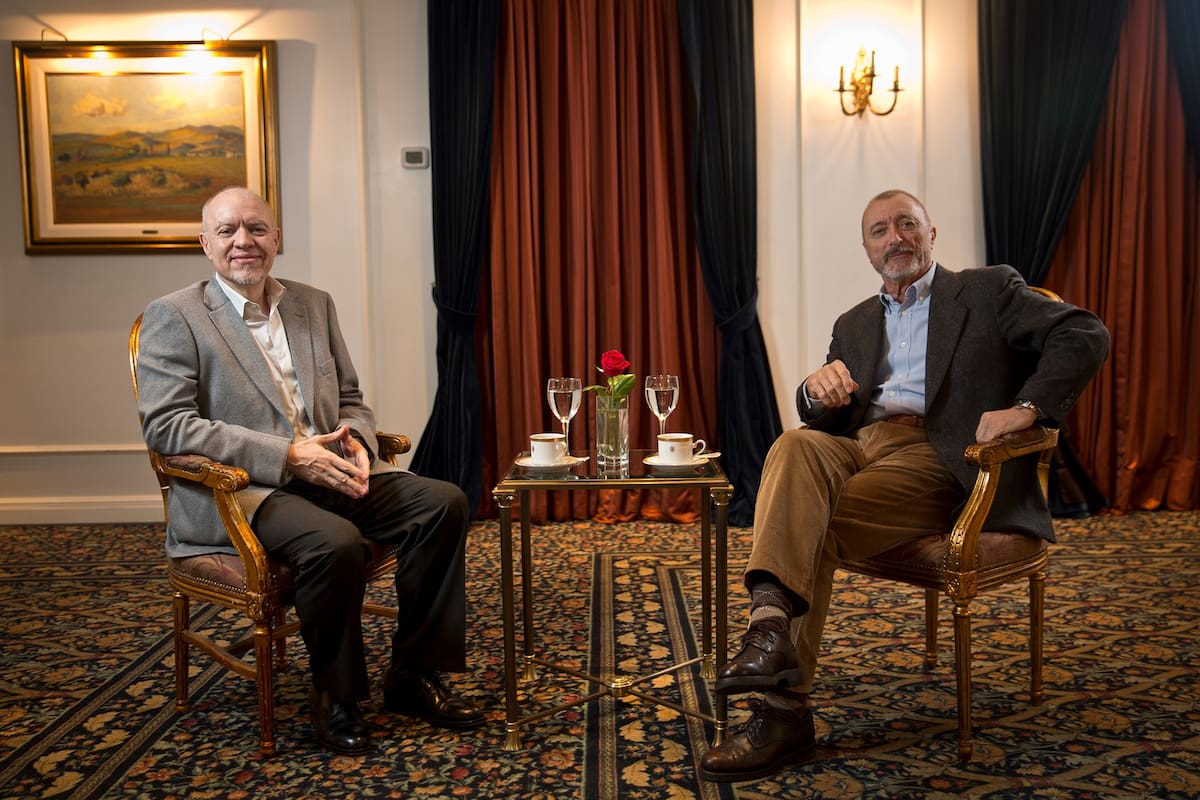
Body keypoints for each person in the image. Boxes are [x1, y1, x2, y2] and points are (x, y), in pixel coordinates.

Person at [698, 189, 1110, 782]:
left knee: (807, 526)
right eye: (879, 230)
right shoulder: (855, 322)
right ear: (867, 249)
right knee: (793, 444)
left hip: (943, 456)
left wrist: (1026, 407)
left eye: (906, 224)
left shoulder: (988, 290)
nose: (895, 238)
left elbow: (1085, 333)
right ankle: (769, 626)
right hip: (862, 445)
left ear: (931, 233)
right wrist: (815, 393)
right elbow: (831, 420)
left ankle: (783, 711)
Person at [136, 186, 484, 755]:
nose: (243, 241)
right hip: (248, 489)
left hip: (331, 471)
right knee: (335, 543)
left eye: (256, 229)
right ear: (205, 243)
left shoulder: (312, 303)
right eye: (227, 231)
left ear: (278, 239)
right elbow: (168, 428)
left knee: (443, 502)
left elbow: (351, 397)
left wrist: (358, 447)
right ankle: (337, 697)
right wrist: (287, 455)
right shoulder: (175, 316)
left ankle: (413, 675)